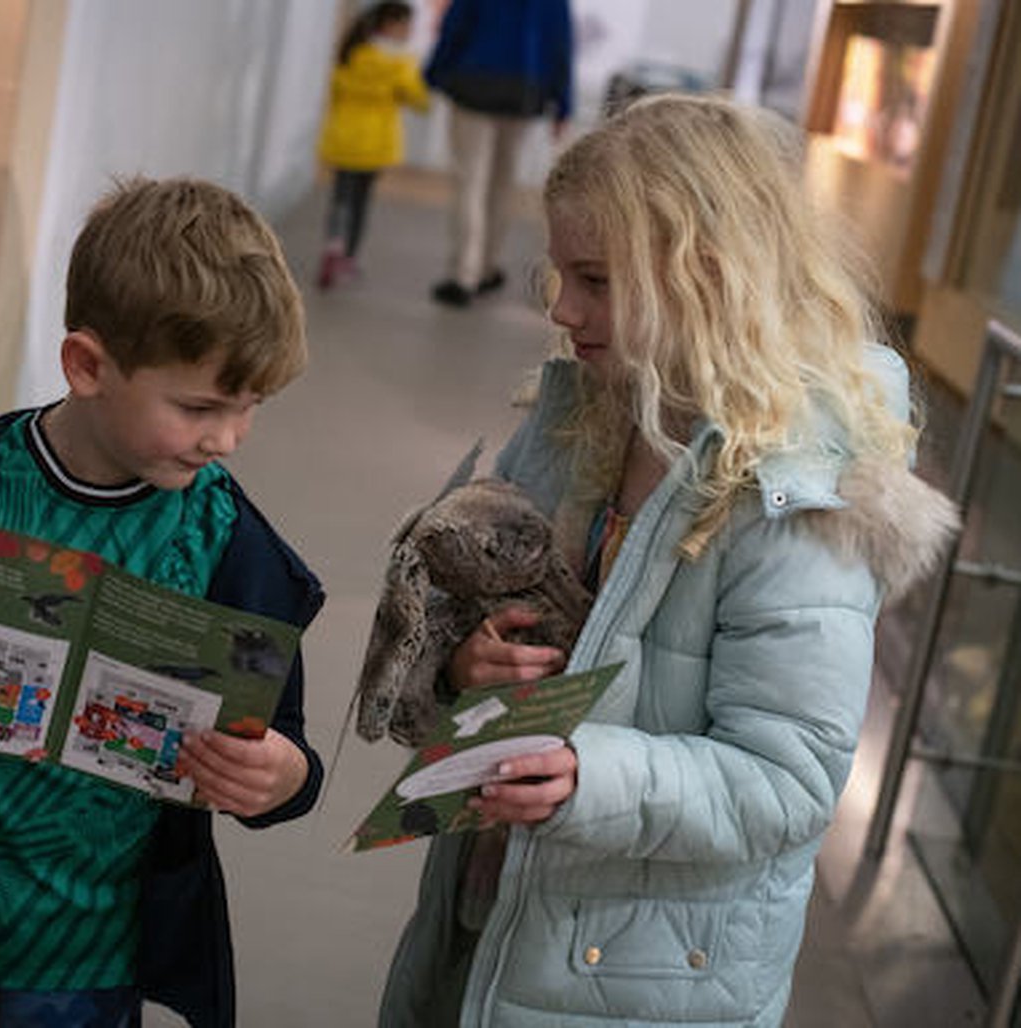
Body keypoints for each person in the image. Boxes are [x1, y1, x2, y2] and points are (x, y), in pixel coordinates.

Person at [378, 94, 958, 1026]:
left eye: (598, 280)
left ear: (710, 276)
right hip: (497, 914)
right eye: (560, 275)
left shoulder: (795, 495)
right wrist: (467, 661)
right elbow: (487, 608)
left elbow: (788, 778)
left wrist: (589, 778)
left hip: (641, 974)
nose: (563, 309)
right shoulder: (580, 420)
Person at [0, 177, 325, 1028]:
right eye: (198, 407)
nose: (226, 438)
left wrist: (281, 778)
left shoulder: (239, 554)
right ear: (87, 366)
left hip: (90, 961)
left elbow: (287, 749)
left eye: (249, 406)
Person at [423, 0, 573, 308]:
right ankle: (487, 268)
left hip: (474, 84)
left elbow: (455, 27)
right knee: (503, 184)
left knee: (470, 182)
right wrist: (563, 104)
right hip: (524, 92)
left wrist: (434, 73)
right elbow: (561, 44)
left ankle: (464, 275)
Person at [315, 1, 430, 290]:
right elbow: (420, 101)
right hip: (375, 143)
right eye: (406, 25)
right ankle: (348, 257)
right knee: (361, 201)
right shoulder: (401, 62)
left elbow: (336, 89)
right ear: (390, 26)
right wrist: (399, 83)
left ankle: (333, 246)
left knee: (341, 198)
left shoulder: (352, 52)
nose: (409, 32)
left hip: (344, 138)